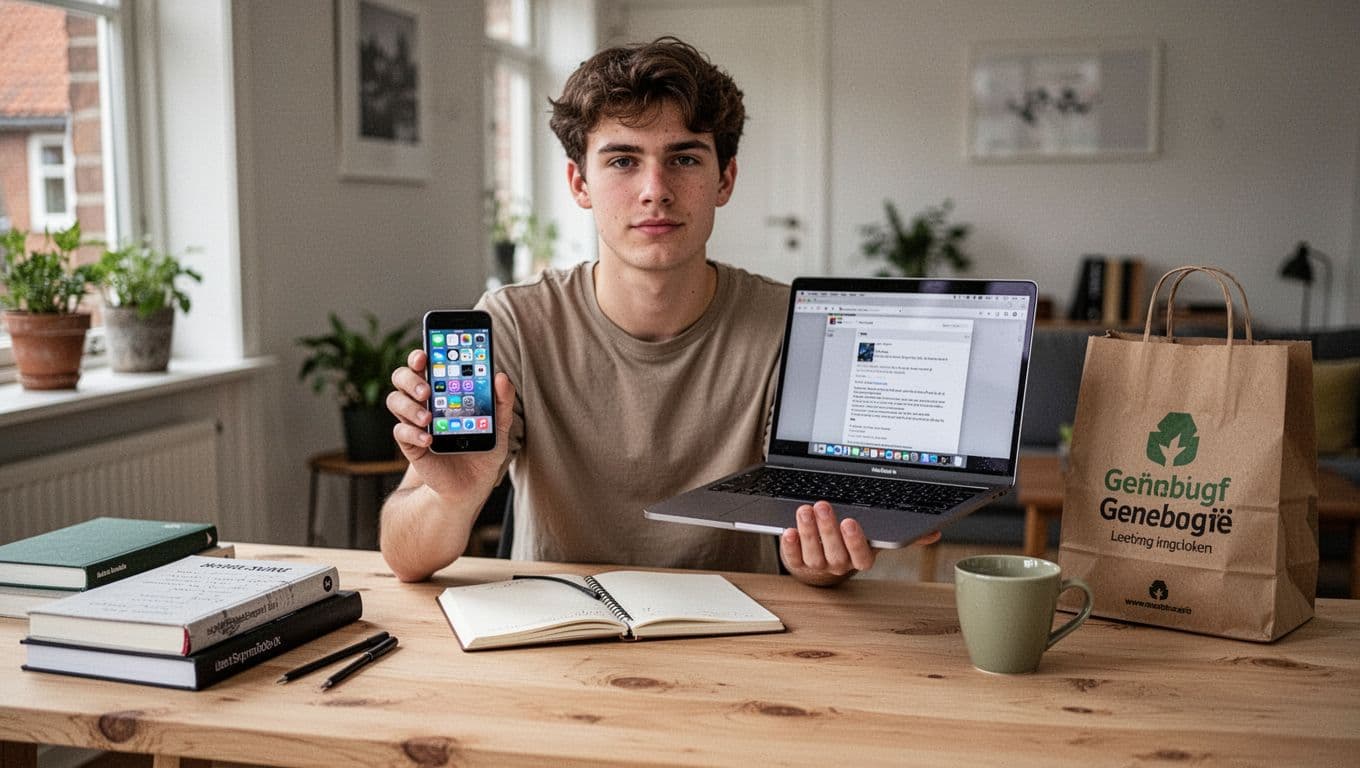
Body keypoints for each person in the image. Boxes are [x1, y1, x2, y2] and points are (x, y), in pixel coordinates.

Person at [380, 36, 938, 586]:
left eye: (684, 159)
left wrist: (818, 559)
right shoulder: (515, 324)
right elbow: (407, 558)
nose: (655, 190)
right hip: (557, 634)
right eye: (623, 160)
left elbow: (808, 544)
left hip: (743, 635)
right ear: (580, 183)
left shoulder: (793, 326)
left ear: (724, 179)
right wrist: (456, 497)